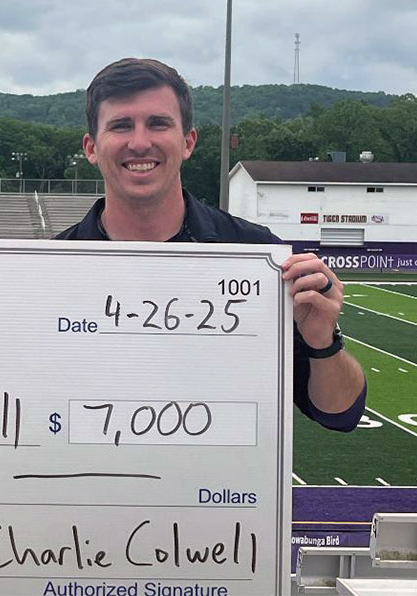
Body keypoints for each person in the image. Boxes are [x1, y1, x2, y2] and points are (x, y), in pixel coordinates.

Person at [55, 58, 365, 431]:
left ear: (188, 142)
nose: (139, 142)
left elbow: (340, 414)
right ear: (91, 147)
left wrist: (322, 339)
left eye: (158, 123)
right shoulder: (50, 269)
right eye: (121, 125)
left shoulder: (258, 256)